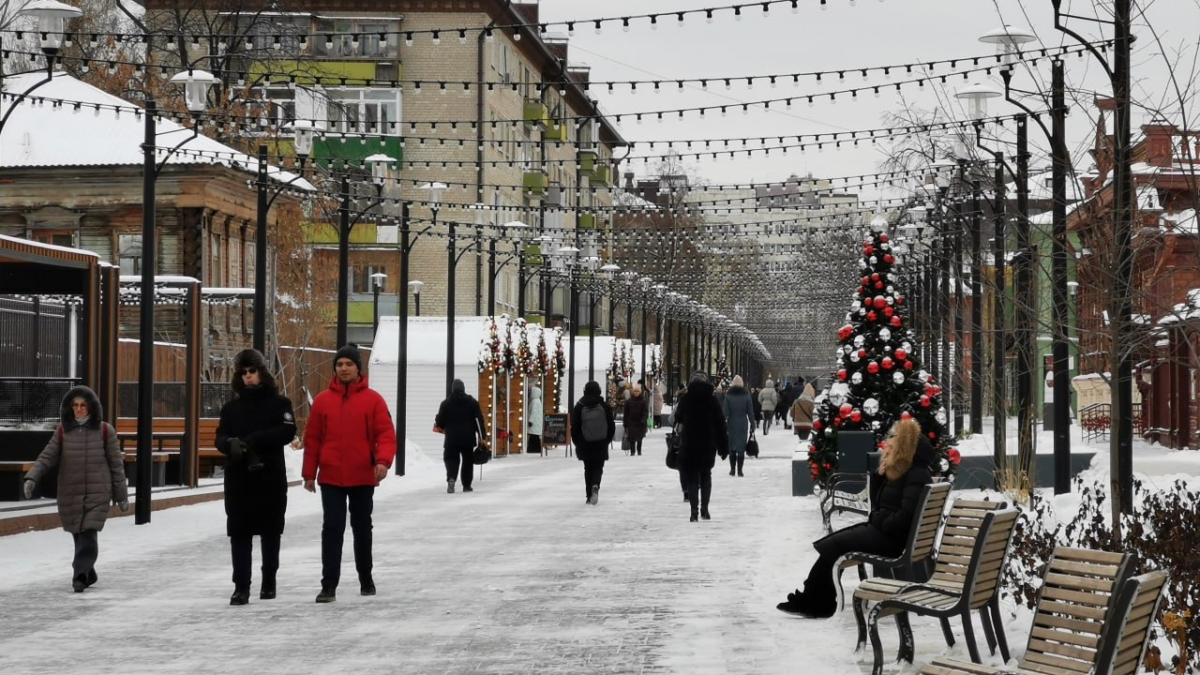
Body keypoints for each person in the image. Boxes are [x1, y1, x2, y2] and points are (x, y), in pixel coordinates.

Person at [776, 418, 935, 618]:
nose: (887, 447)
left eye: (892, 445)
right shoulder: (905, 470)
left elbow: (904, 516)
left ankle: (816, 601)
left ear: (904, 447)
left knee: (835, 546)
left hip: (891, 539)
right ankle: (814, 597)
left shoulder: (916, 474)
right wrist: (879, 475)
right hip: (885, 533)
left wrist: (880, 521)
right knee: (833, 546)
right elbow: (880, 505)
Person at [303, 344, 397, 604]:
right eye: (340, 364)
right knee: (332, 528)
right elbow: (313, 440)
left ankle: (365, 578)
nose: (344, 368)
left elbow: (386, 434)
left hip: (363, 475)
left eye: (349, 364)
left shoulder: (374, 400)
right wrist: (309, 473)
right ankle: (328, 585)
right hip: (331, 475)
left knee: (362, 528)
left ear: (358, 368)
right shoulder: (322, 401)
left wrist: (383, 462)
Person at [22, 385, 128, 593]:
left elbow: (116, 465)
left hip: (98, 492)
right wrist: (32, 477)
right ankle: (89, 571)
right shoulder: (63, 432)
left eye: (83, 405)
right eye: (75, 405)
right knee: (78, 534)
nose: (79, 409)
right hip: (70, 491)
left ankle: (79, 575)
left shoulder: (106, 431)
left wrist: (121, 495)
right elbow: (47, 457)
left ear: (91, 407)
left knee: (88, 532)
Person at [215, 349, 297, 605]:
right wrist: (229, 443)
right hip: (239, 476)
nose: (249, 377)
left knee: (271, 530)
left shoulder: (280, 404)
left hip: (269, 475)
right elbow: (220, 435)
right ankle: (241, 586)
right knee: (239, 531)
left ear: (262, 372)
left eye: (253, 371)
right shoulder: (231, 408)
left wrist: (255, 440)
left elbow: (287, 432)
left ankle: (269, 581)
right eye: (244, 372)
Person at [673, 371, 729, 522]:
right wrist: (723, 447)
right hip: (707, 444)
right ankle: (705, 508)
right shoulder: (712, 400)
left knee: (692, 477)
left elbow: (677, 418)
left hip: (690, 444)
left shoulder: (686, 399)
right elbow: (720, 424)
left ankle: (693, 511)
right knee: (705, 476)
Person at [435, 379, 488, 493]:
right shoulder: (473, 402)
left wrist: (440, 422)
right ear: (464, 388)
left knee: (451, 459)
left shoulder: (446, 403)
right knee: (467, 461)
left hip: (451, 439)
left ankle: (451, 478)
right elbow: (479, 420)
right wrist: (482, 436)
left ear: (452, 389)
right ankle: (467, 485)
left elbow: (440, 422)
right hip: (468, 438)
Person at [570, 381, 614, 505]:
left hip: (585, 442)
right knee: (598, 467)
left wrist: (578, 442)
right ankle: (596, 485)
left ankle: (589, 494)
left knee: (588, 467)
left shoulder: (580, 405)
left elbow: (575, 426)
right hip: (601, 442)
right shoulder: (604, 405)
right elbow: (611, 424)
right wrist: (607, 439)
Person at [722, 376, 755, 477]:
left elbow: (725, 412)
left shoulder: (728, 395)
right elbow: (750, 411)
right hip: (742, 423)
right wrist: (752, 424)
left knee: (732, 447)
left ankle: (732, 470)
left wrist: (723, 423)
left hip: (731, 423)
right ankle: (740, 470)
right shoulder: (746, 396)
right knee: (741, 447)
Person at [623, 383, 649, 456]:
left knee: (639, 437)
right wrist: (625, 423)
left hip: (640, 422)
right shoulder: (629, 401)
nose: (636, 393)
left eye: (637, 391)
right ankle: (632, 451)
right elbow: (626, 413)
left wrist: (643, 420)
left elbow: (645, 412)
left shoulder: (643, 401)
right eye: (635, 391)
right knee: (631, 437)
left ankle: (639, 450)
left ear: (640, 392)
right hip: (631, 422)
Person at [526, 384, 544, 456]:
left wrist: (530, 420)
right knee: (535, 437)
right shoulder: (538, 401)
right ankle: (536, 449)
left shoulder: (534, 402)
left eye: (531, 391)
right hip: (537, 423)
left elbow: (533, 412)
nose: (530, 393)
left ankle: (533, 449)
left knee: (533, 437)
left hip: (534, 423)